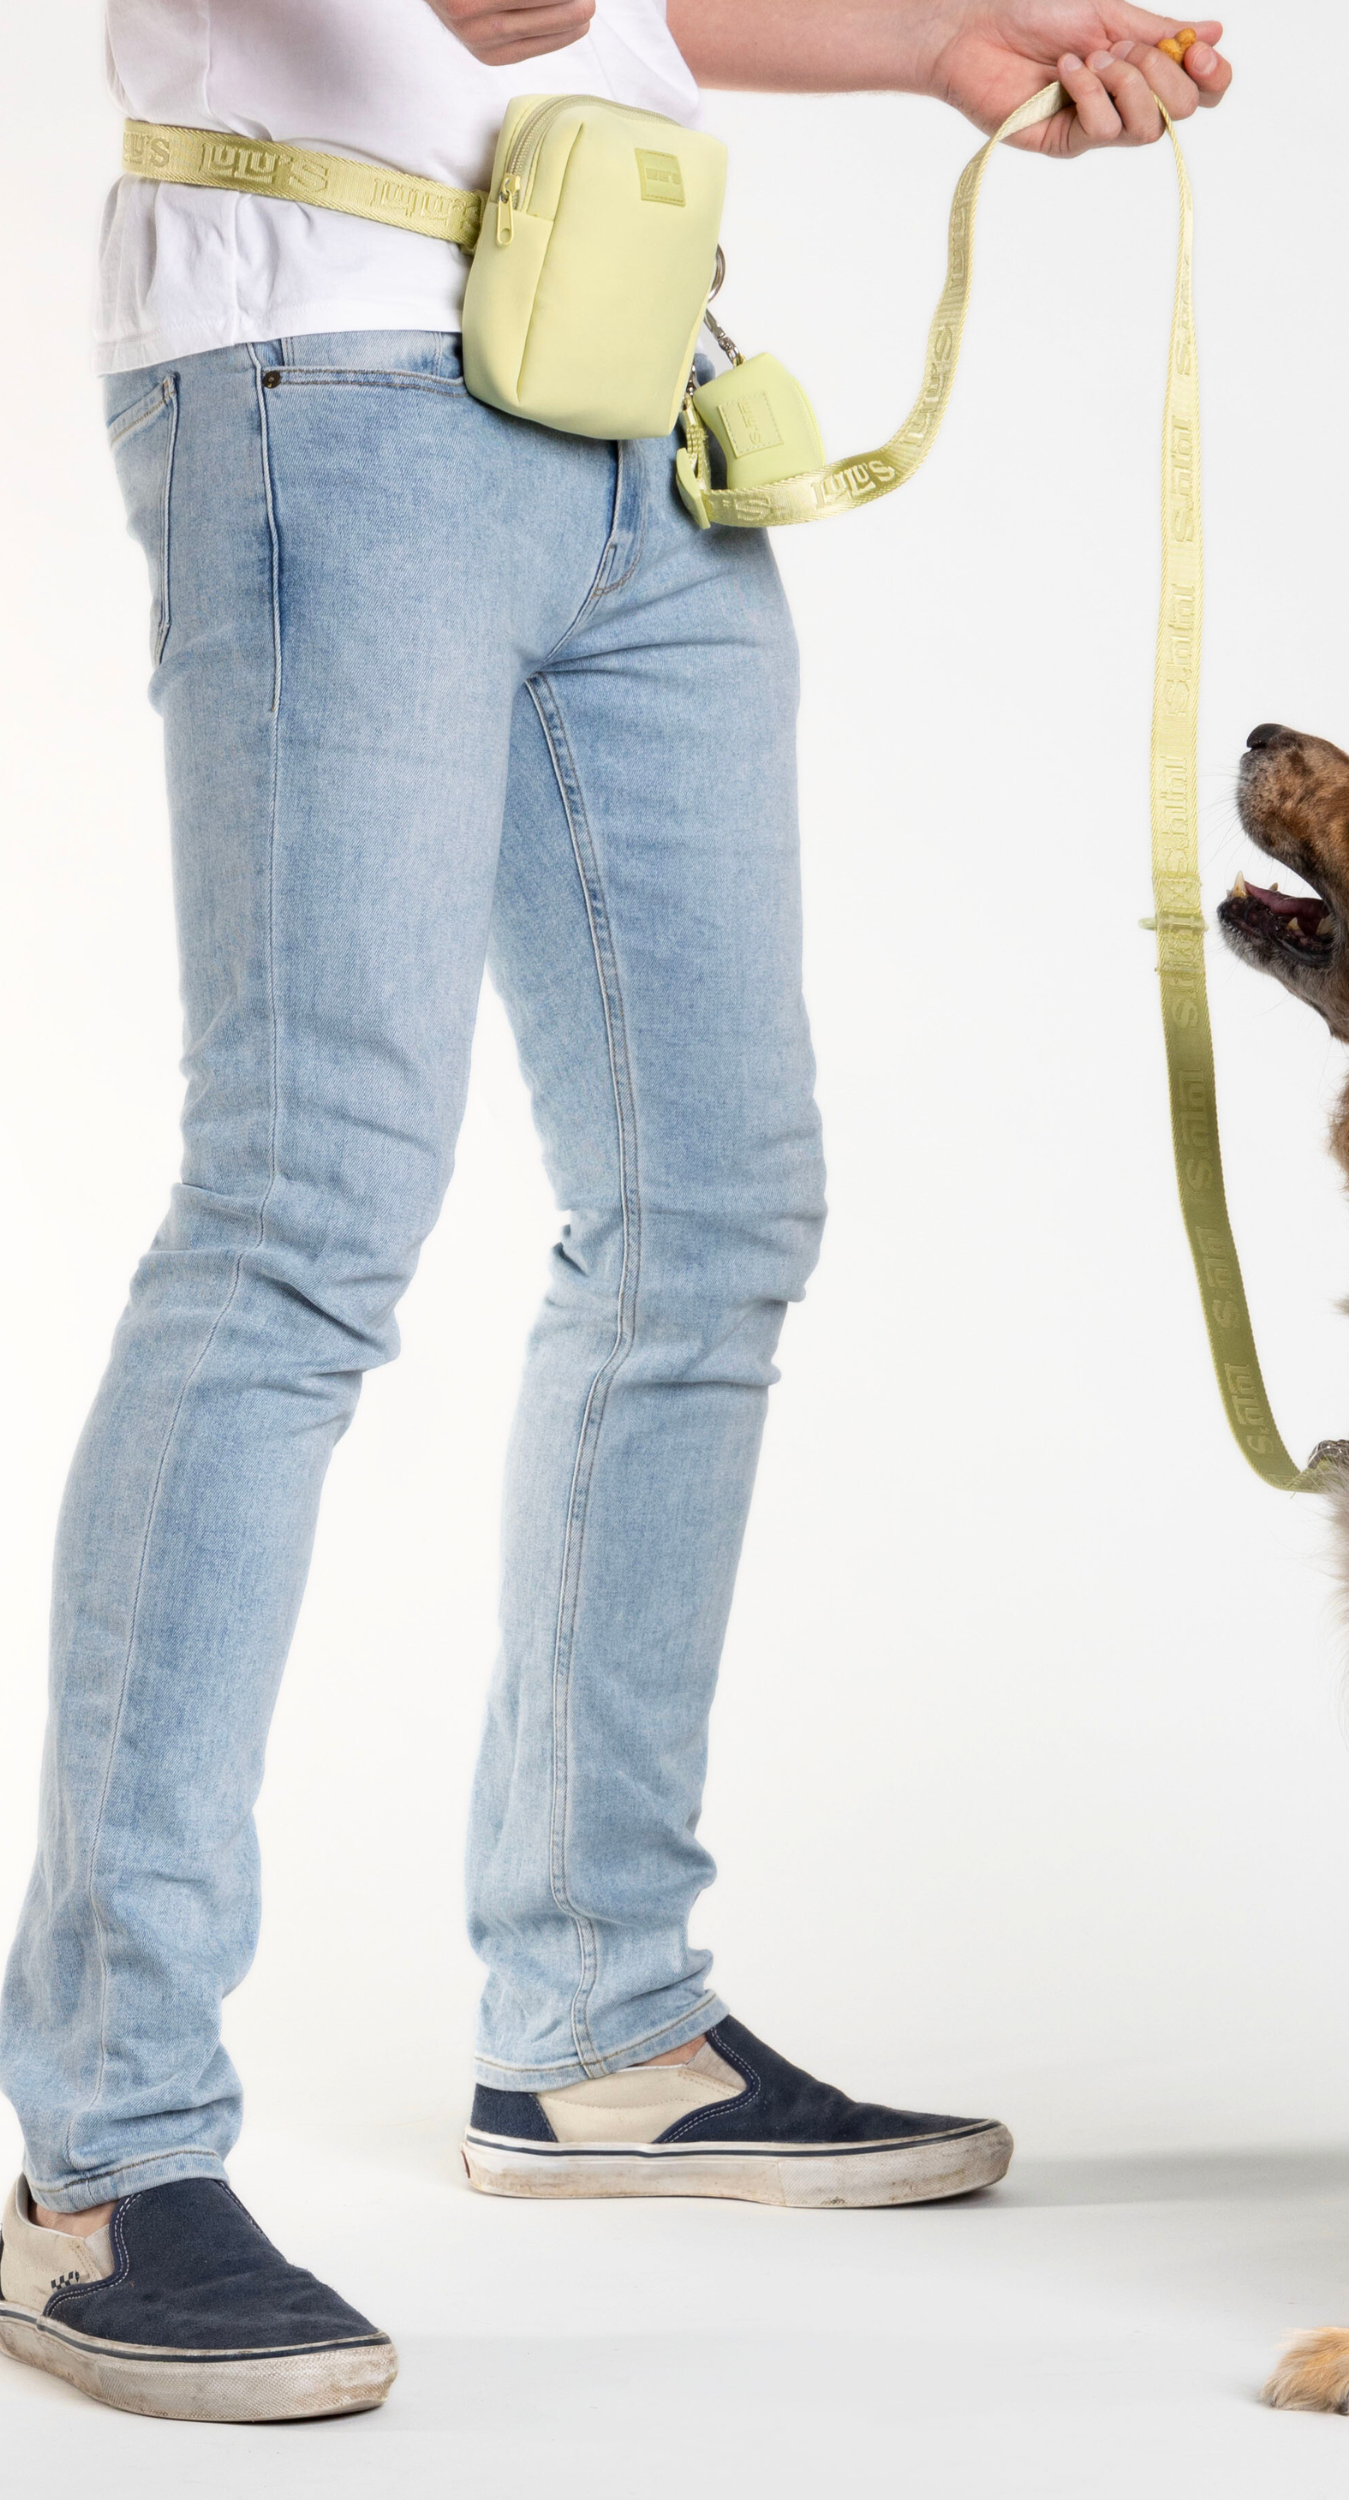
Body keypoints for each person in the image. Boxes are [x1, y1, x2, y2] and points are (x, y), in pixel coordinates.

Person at [0, 0, 1230, 2427]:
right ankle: (100, 2148)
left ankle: (594, 2024)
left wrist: (927, 45)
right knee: (299, 1212)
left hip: (634, 390)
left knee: (709, 1211)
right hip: (331, 376)